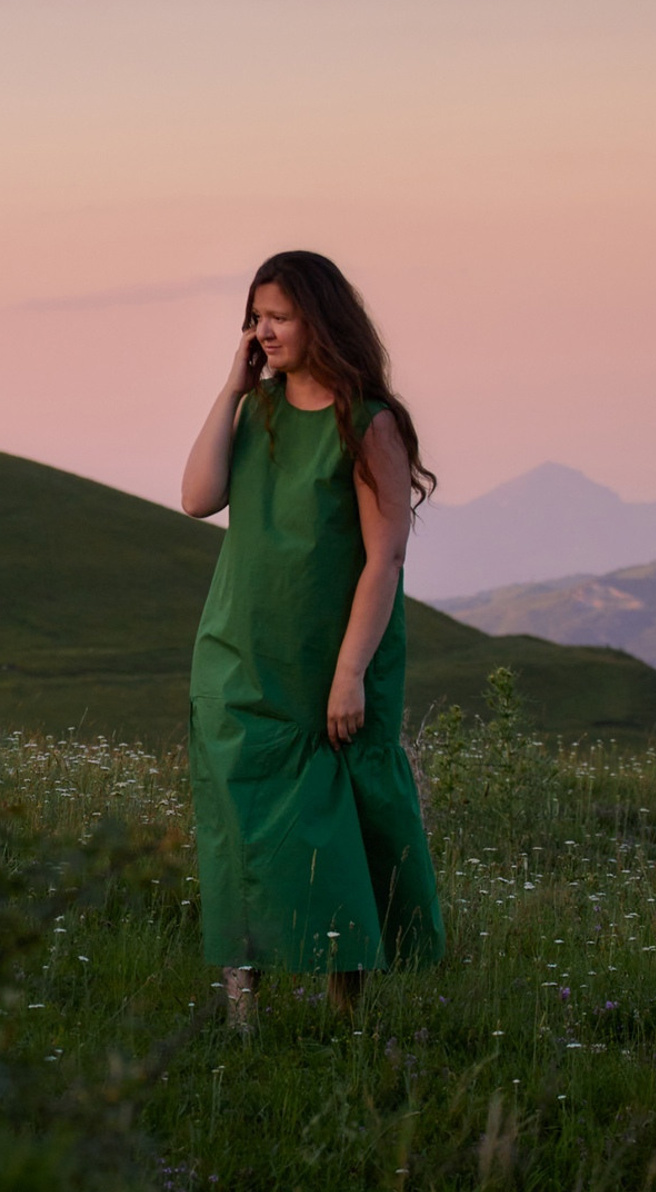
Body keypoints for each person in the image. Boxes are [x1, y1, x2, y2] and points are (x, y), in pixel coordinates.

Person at [182, 250, 444, 1027]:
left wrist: (350, 674)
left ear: (319, 321)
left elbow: (385, 555)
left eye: (280, 317)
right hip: (240, 651)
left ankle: (346, 1014)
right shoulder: (253, 410)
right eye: (255, 316)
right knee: (239, 823)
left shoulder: (367, 423)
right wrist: (233, 385)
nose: (263, 330)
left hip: (332, 657)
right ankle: (242, 1011)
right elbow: (197, 497)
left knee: (337, 821)